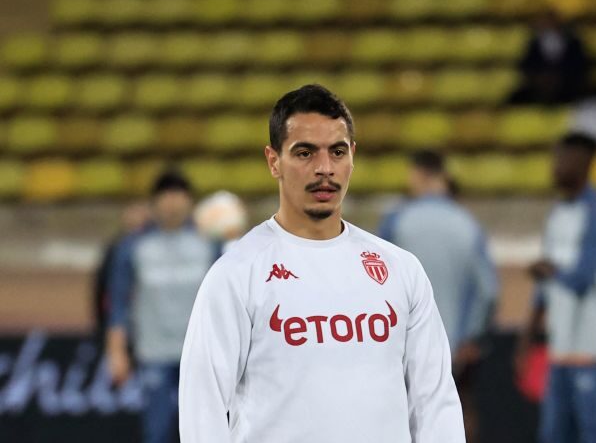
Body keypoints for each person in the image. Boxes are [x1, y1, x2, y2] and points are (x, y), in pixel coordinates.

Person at [179, 84, 465, 442]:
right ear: (273, 161)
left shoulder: (400, 270)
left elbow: (435, 400)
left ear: (353, 156)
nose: (325, 168)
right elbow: (202, 407)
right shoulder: (236, 274)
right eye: (305, 153)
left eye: (337, 152)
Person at [515, 133, 596, 443]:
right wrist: (527, 339)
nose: (556, 166)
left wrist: (547, 269)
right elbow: (544, 290)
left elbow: (581, 278)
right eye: (555, 158)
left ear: (586, 163)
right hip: (561, 350)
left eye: (564, 158)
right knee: (553, 435)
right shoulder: (556, 214)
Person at [378, 150, 498, 443]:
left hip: (403, 346)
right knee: (457, 412)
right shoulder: (468, 224)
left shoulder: (397, 222)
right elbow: (489, 290)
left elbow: (373, 282)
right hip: (456, 345)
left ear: (417, 175)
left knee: (402, 420)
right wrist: (472, 335)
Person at [106, 170, 220, 443]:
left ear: (190, 201)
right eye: (165, 195)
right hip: (154, 351)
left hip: (199, 353)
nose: (172, 202)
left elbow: (227, 299)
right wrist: (116, 351)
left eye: (178, 194)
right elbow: (118, 302)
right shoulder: (133, 246)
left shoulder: (210, 244)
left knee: (203, 431)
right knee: (156, 432)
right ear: (154, 203)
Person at [93, 200, 150, 342]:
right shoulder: (117, 247)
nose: (137, 217)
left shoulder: (150, 247)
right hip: (119, 320)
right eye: (133, 211)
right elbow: (104, 286)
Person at [509, 10, 589, 104]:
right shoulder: (533, 44)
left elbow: (580, 66)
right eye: (543, 21)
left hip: (567, 87)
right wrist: (540, 78)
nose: (547, 24)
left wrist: (559, 78)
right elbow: (526, 66)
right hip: (538, 89)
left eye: (550, 21)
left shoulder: (574, 43)